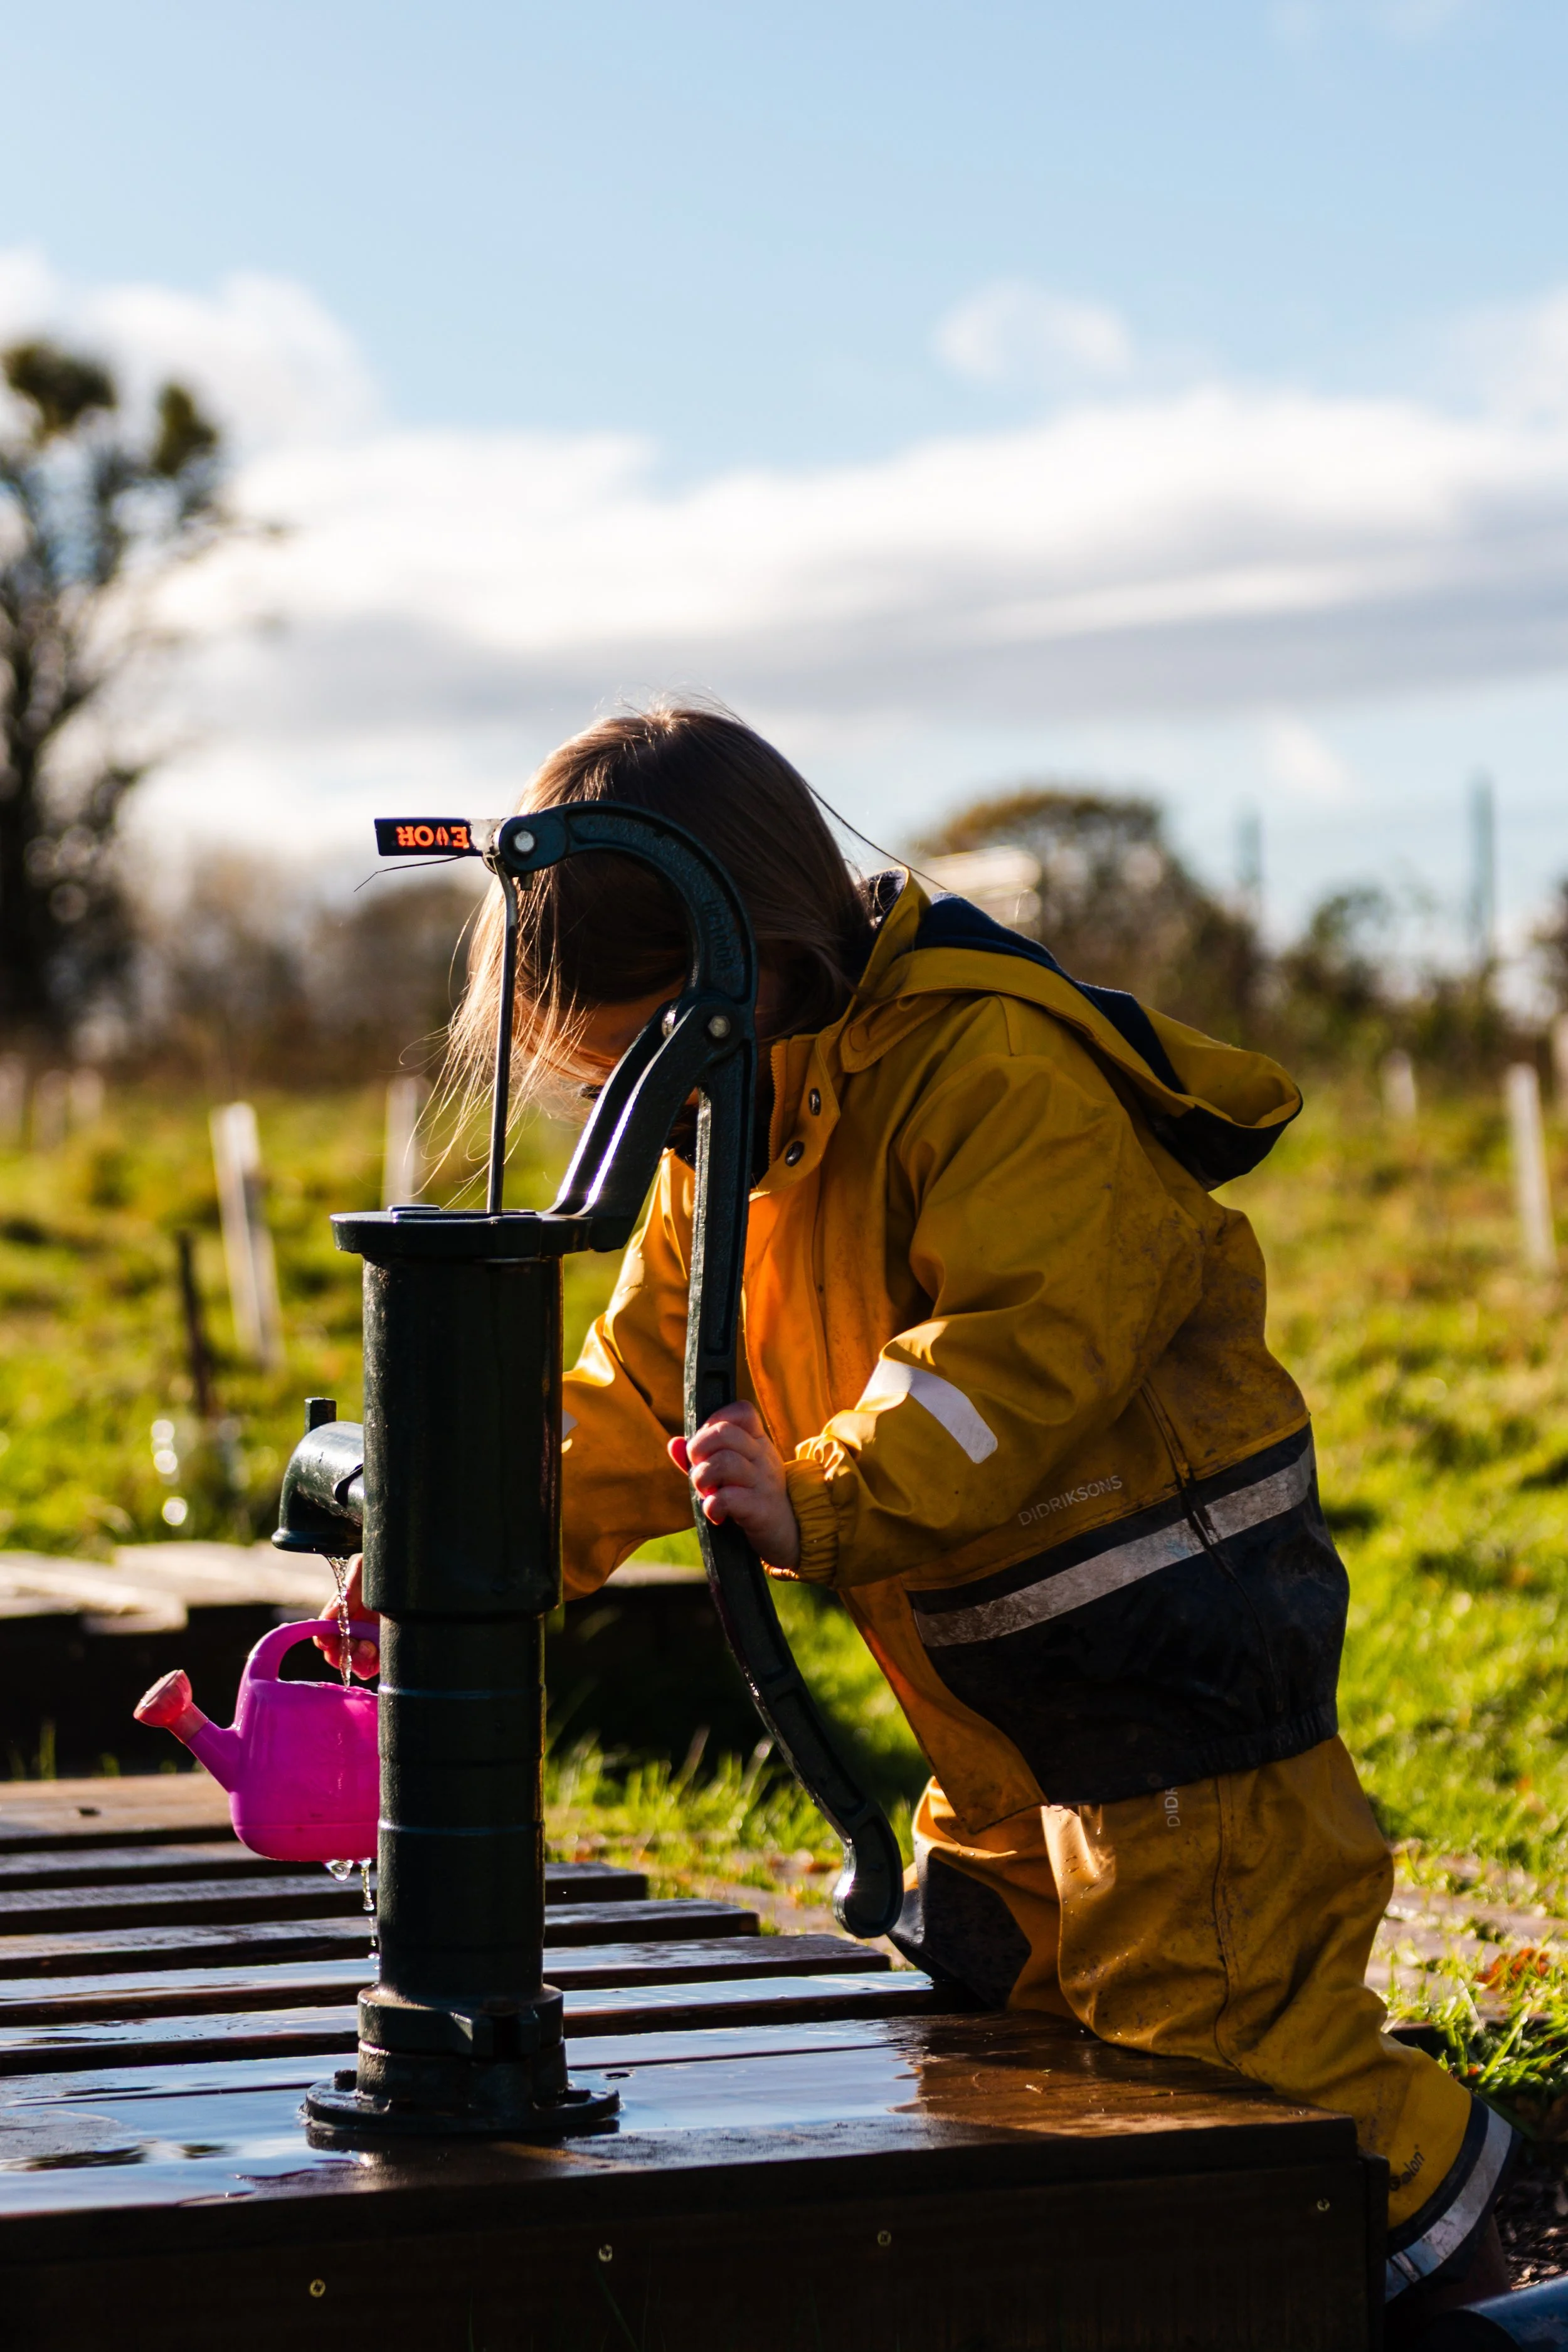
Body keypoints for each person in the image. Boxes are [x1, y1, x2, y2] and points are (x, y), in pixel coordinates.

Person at [322, 701, 1513, 2329]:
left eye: (647, 1053)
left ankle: (1460, 2255)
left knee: (1224, 2048)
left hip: (1169, 1678)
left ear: (745, 970)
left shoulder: (992, 1067)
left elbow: (1014, 1358)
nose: (639, 1105)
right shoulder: (724, 1126)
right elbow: (646, 1379)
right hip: (994, 1705)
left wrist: (820, 1492)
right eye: (608, 1077)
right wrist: (484, 1522)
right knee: (992, 2010)